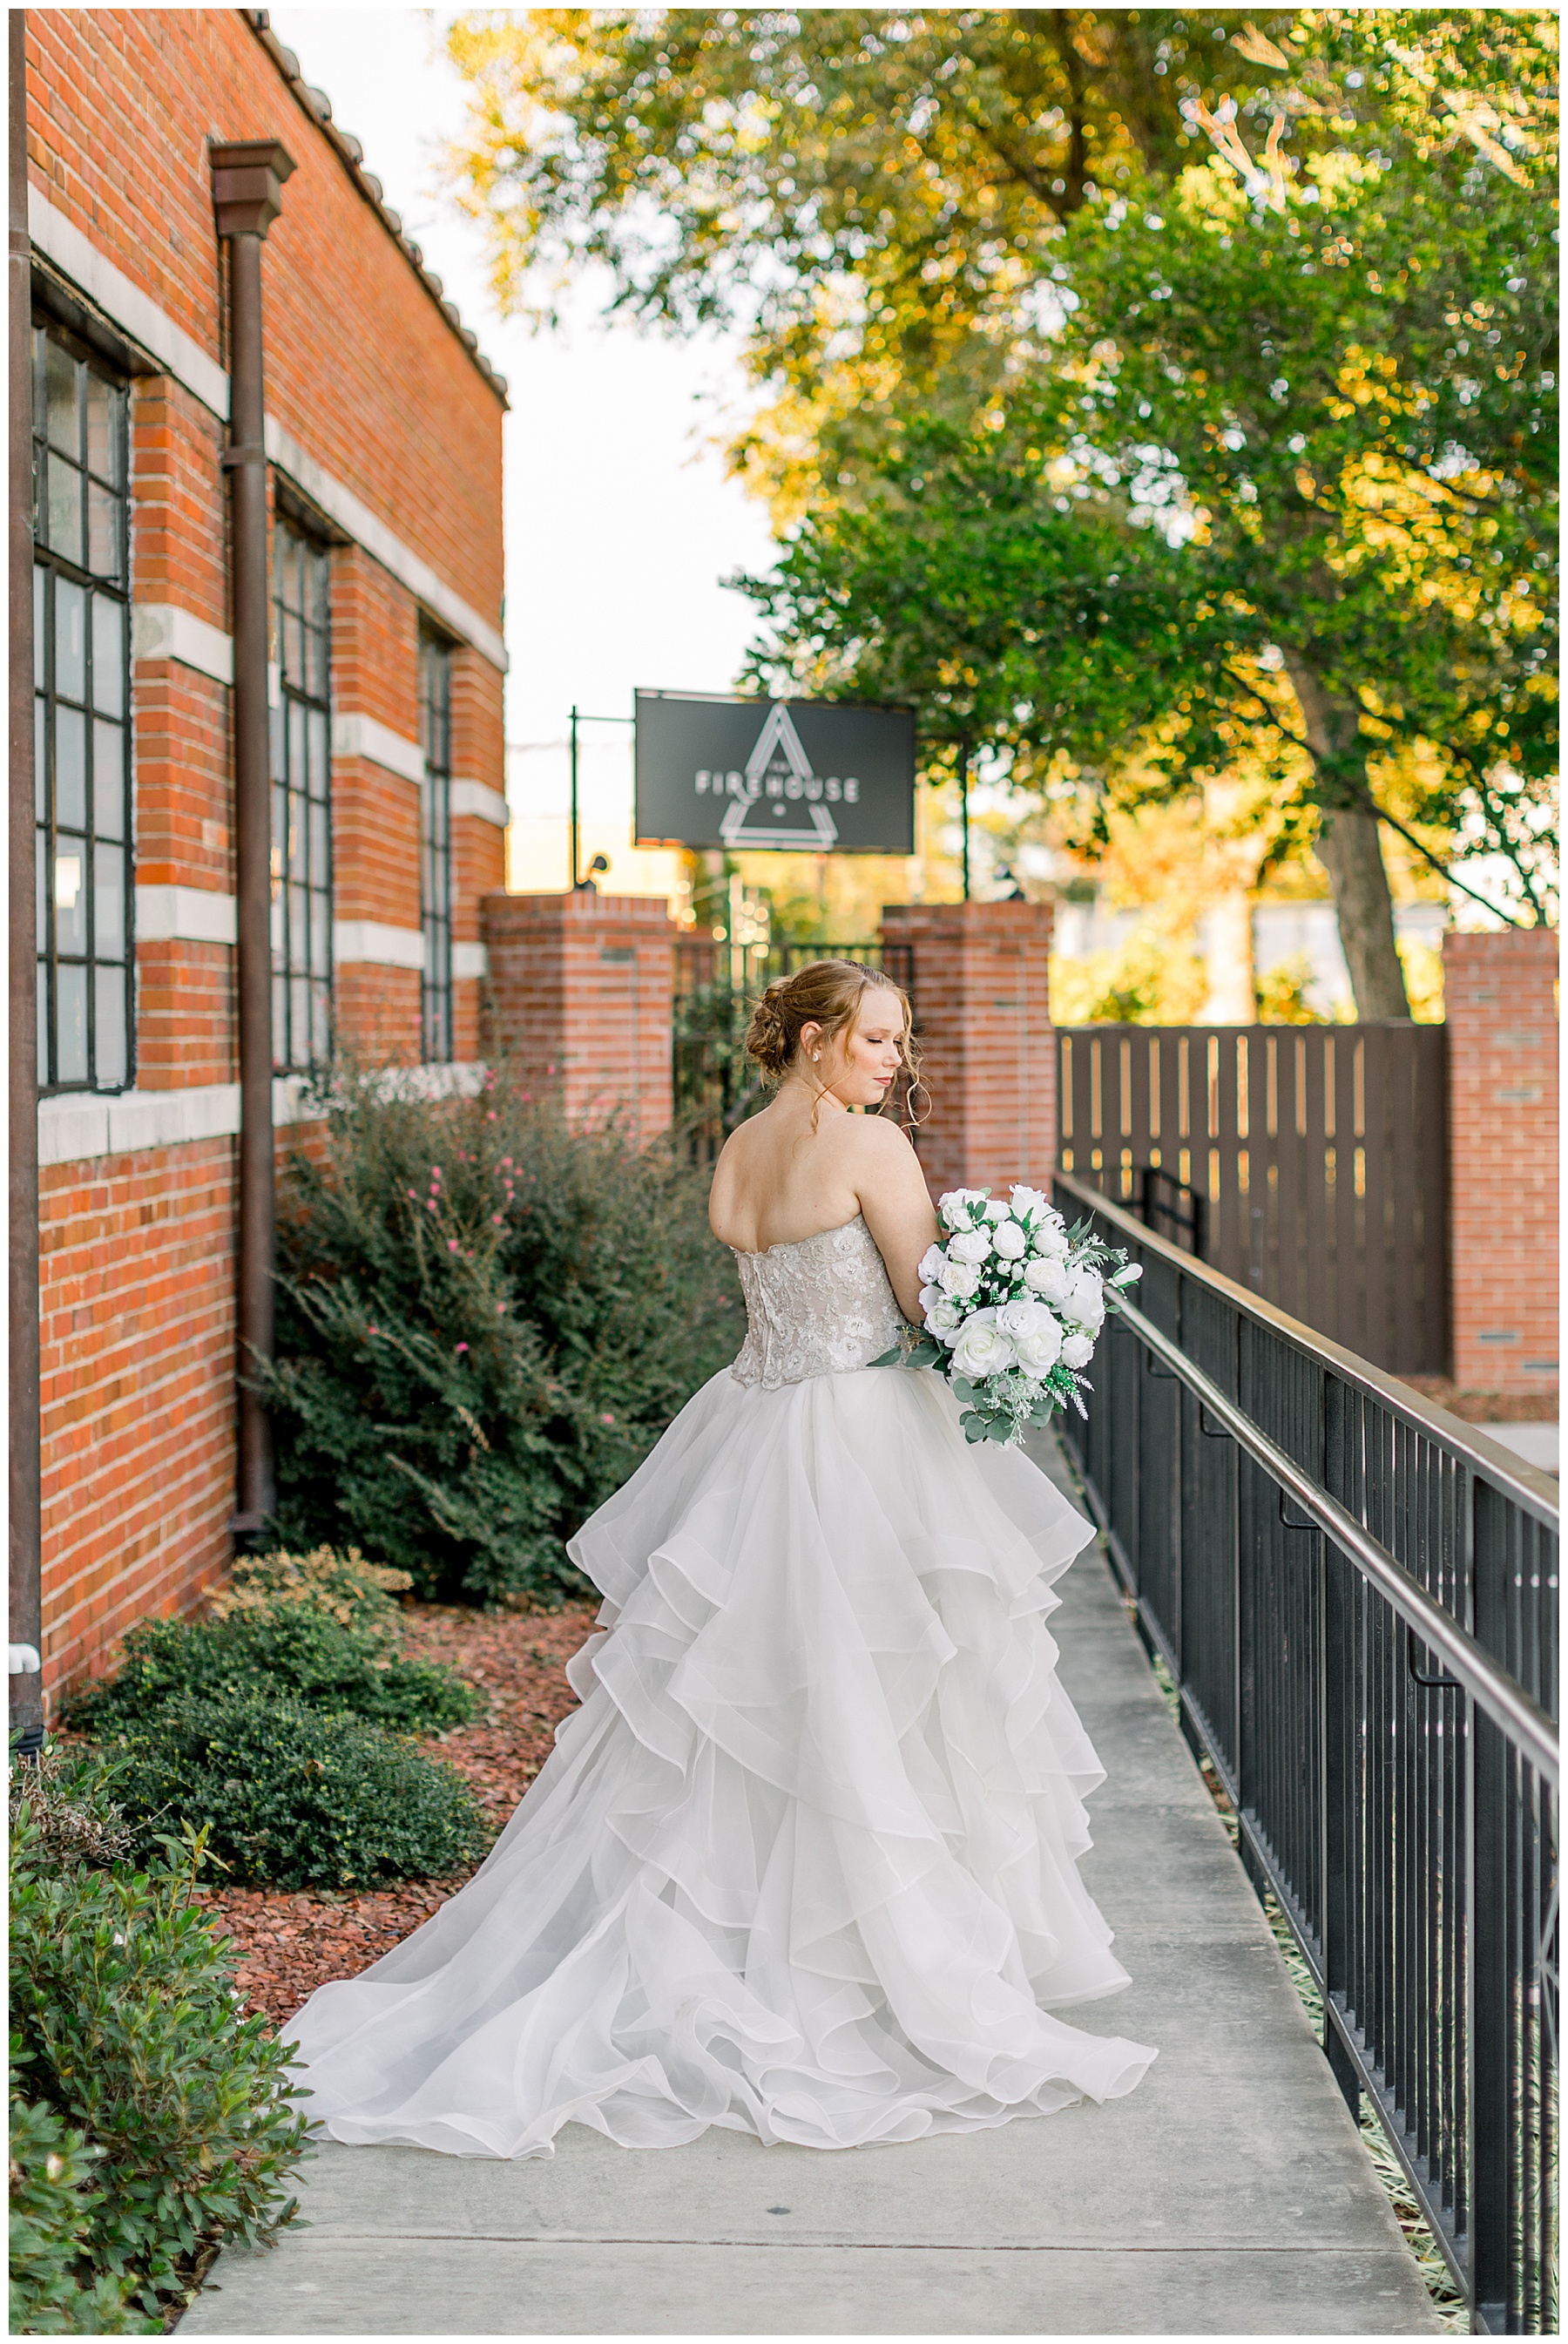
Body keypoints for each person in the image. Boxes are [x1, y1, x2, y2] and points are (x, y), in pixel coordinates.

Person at [285, 959, 1156, 2157]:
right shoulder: (870, 1151)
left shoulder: (739, 1152)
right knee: (868, 1704)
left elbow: (780, 1292)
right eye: (876, 1041)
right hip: (856, 1440)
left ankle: (750, 1945)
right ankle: (858, 1970)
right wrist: (1022, 1308)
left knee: (749, 1712)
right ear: (812, 1039)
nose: (894, 1062)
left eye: (899, 1044)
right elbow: (921, 1304)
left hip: (753, 1430)